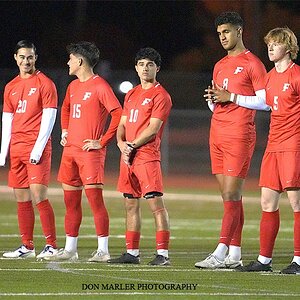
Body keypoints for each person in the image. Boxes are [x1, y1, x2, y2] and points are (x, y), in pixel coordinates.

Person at [195, 11, 269, 269]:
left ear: (239, 31)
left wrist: (232, 97)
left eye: (226, 32)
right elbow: (219, 101)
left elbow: (265, 101)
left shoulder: (253, 64)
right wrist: (212, 101)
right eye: (219, 34)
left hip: (239, 133)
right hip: (217, 132)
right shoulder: (219, 65)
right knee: (229, 198)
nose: (222, 37)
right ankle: (235, 254)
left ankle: (220, 250)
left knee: (231, 192)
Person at [239, 27, 300, 274]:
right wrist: (227, 99)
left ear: (288, 47)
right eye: (268, 44)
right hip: (273, 145)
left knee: (296, 203)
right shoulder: (269, 77)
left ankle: (298, 260)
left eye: (275, 44)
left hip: (293, 145)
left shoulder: (297, 75)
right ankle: (264, 259)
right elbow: (262, 103)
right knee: (267, 201)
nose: (270, 48)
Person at [54, 41, 122, 262]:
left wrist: (101, 142)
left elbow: (118, 114)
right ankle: (70, 249)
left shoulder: (100, 86)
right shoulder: (73, 87)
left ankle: (103, 250)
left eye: (71, 58)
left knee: (95, 201)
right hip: (70, 152)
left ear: (80, 61)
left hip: (89, 154)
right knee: (70, 203)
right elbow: (65, 108)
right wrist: (65, 130)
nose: (68, 62)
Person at [107, 47, 172, 266]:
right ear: (136, 68)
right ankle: (132, 253)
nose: (145, 68)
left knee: (156, 205)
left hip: (146, 156)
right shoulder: (132, 93)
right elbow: (122, 123)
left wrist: (132, 145)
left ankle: (163, 254)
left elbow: (153, 128)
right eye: (142, 64)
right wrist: (120, 143)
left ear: (157, 68)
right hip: (128, 156)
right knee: (130, 205)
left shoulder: (161, 95)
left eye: (150, 64)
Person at [0, 40, 58, 260]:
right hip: (17, 148)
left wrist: (37, 149)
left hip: (37, 148)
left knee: (38, 196)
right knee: (21, 198)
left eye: (30, 57)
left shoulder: (45, 83)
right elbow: (8, 119)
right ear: (15, 57)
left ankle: (51, 245)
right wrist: (3, 152)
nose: (26, 61)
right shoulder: (11, 86)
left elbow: (49, 118)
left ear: (36, 58)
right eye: (22, 57)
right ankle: (27, 246)